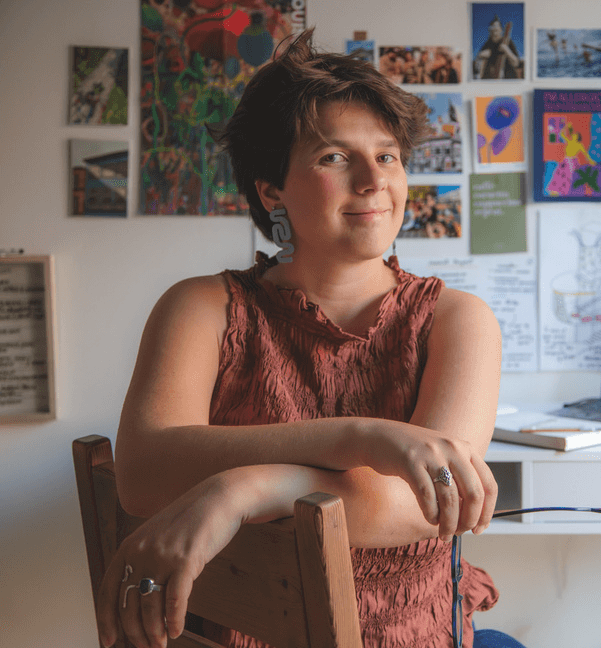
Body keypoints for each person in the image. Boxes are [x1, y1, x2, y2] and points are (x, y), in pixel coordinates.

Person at [95, 30, 524, 648]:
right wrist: (363, 437)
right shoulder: (202, 306)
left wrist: (244, 486)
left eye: (388, 155)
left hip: (408, 633)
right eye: (333, 158)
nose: (374, 180)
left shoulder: (458, 319)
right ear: (271, 189)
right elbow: (142, 473)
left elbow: (429, 505)